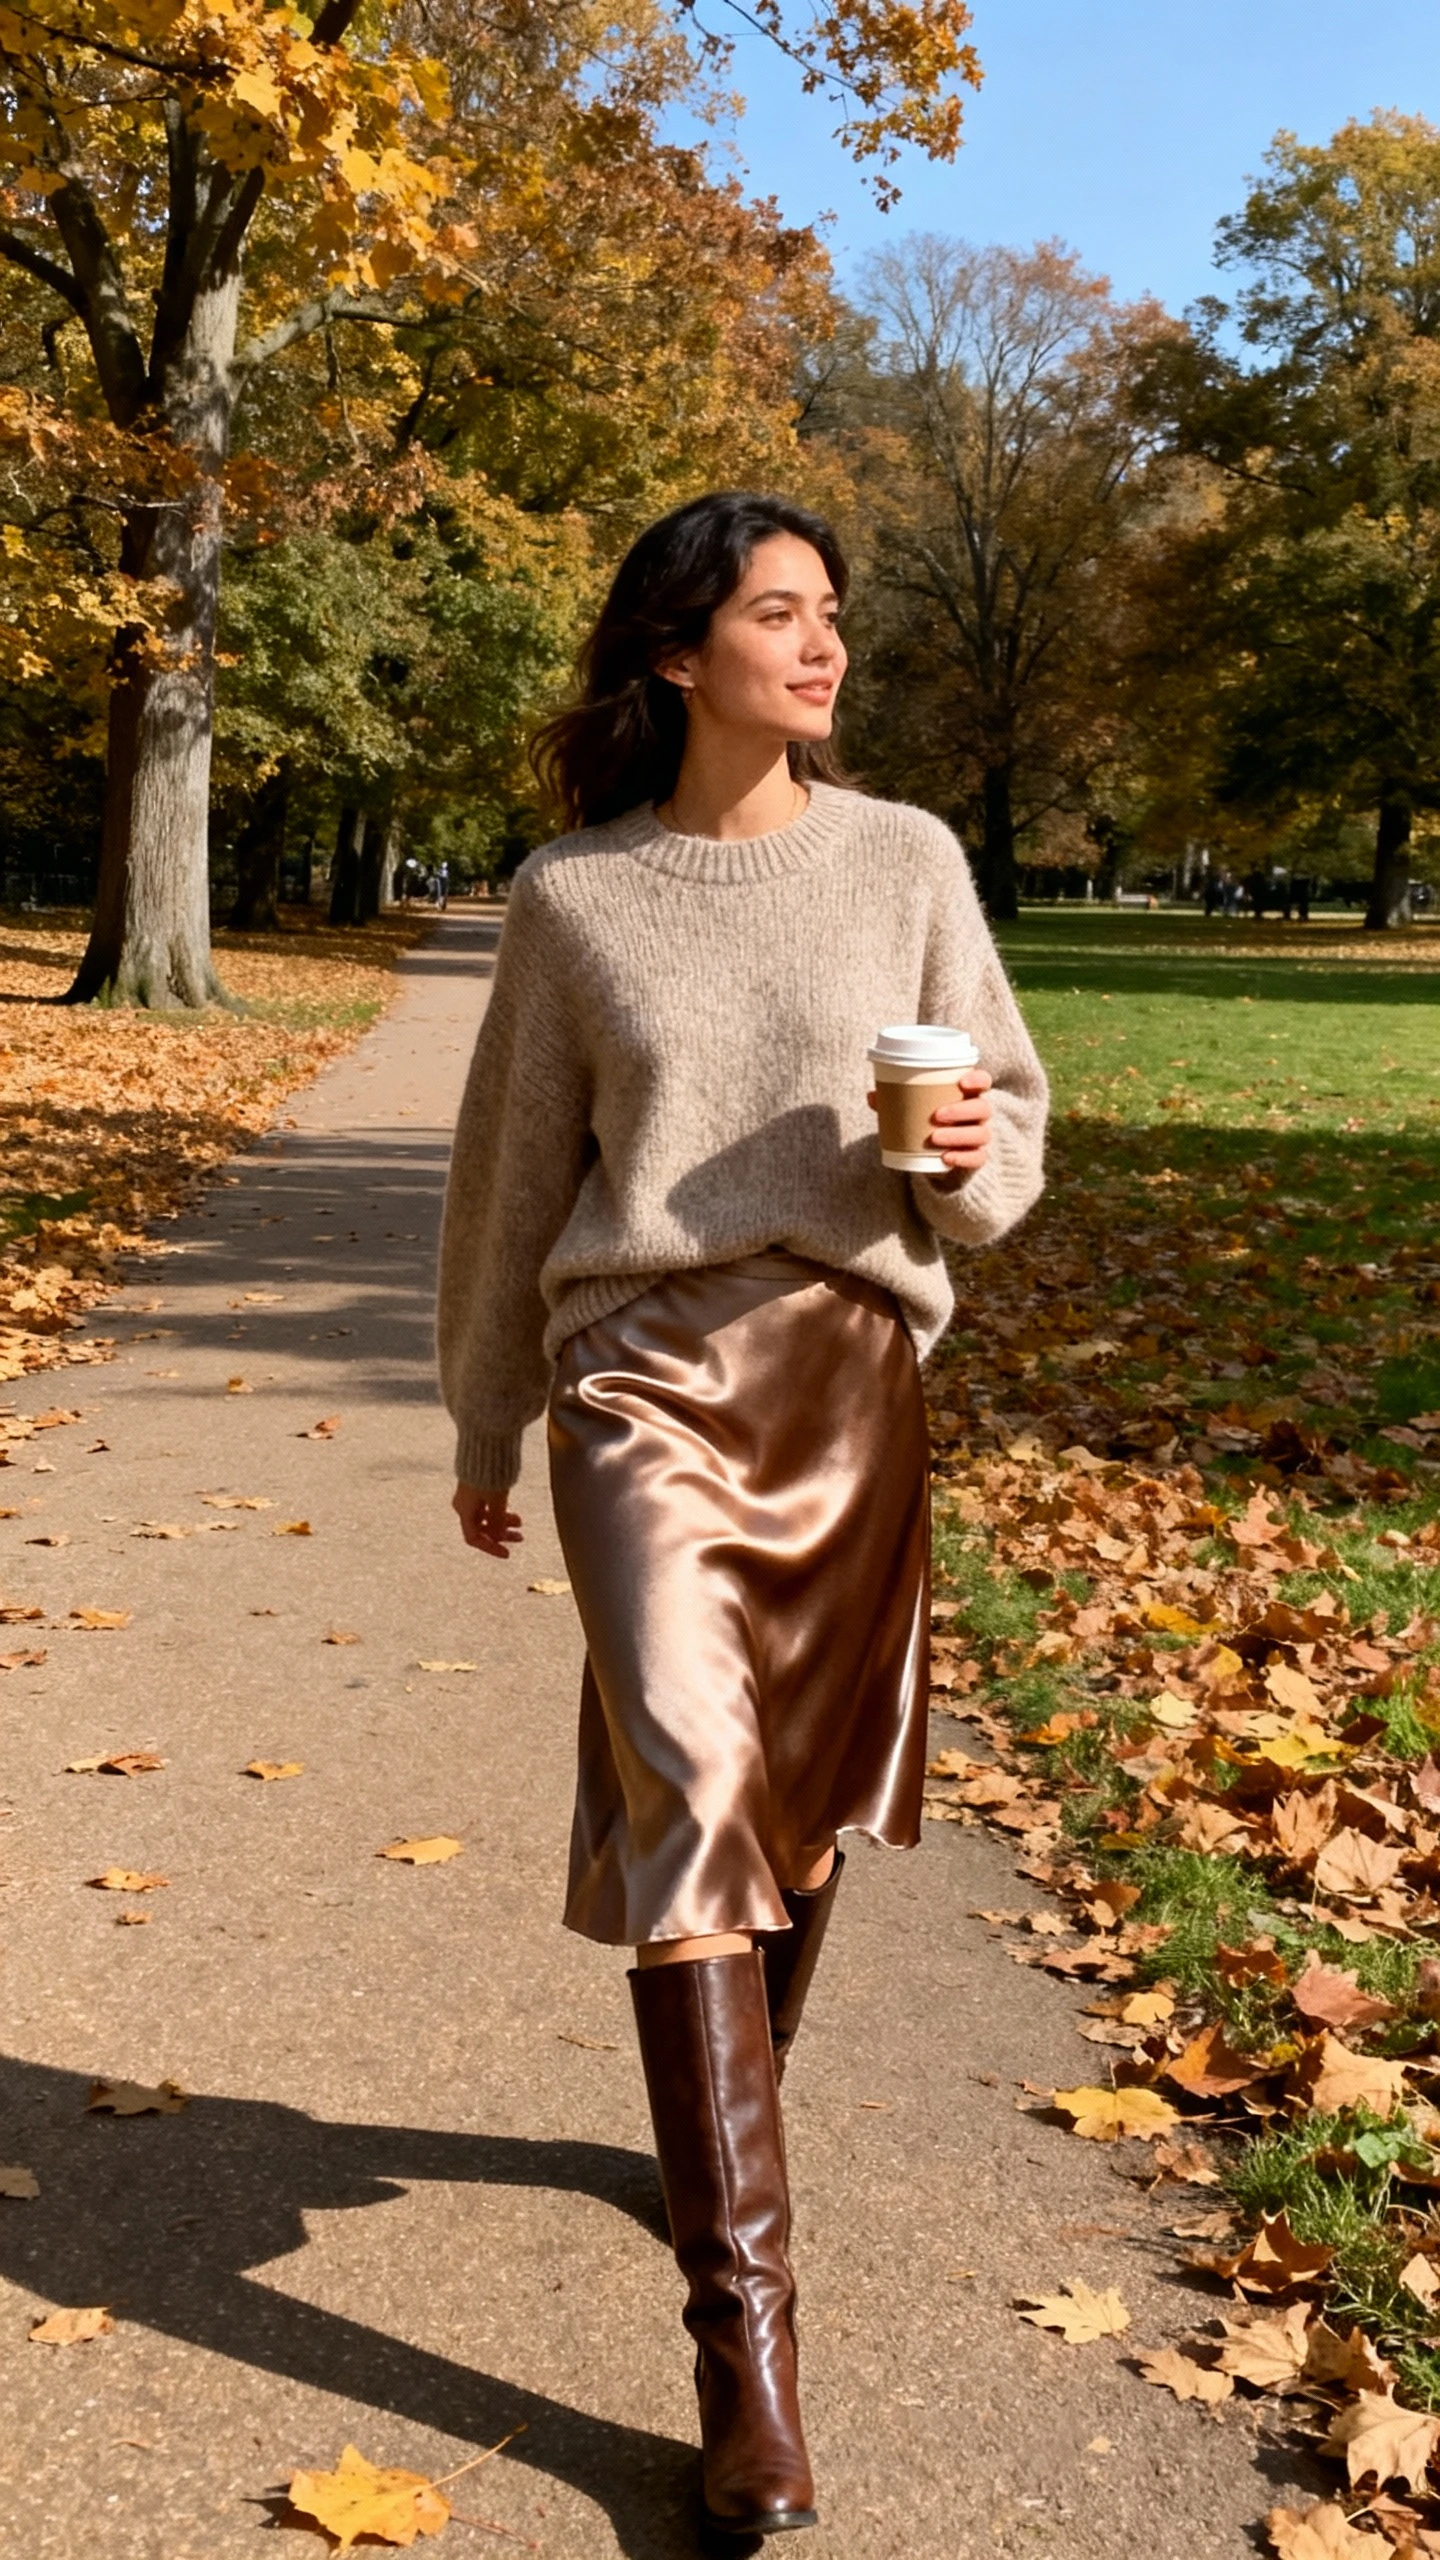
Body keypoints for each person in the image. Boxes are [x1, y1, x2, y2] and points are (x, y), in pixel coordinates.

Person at [436, 490, 1048, 2541]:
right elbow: (515, 1172)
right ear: (679, 652)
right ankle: (748, 2364)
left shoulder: (909, 862)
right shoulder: (575, 896)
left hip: (852, 1373)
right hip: (641, 1385)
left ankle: (726, 2105)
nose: (822, 645)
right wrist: (486, 1411)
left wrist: (959, 1156)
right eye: (777, 612)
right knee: (692, 1779)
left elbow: (1004, 1130)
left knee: (799, 1803)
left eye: (833, 616)